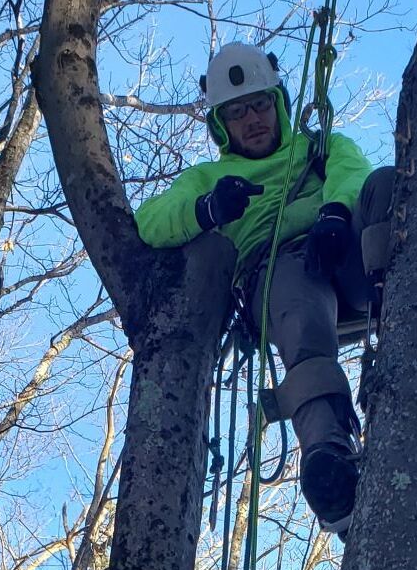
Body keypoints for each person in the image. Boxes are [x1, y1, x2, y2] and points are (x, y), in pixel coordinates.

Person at [135, 42, 393, 534]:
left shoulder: (320, 149)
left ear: (277, 105)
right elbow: (150, 222)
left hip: (342, 249)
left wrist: (336, 212)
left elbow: (355, 174)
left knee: (386, 186)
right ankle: (328, 457)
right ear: (221, 126)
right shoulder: (209, 177)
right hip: (279, 274)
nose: (251, 119)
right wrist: (208, 209)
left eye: (259, 105)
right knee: (301, 311)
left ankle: (403, 299)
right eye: (236, 113)